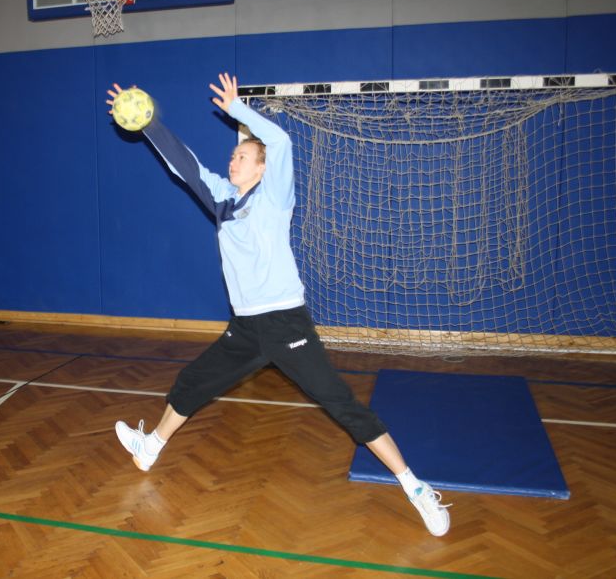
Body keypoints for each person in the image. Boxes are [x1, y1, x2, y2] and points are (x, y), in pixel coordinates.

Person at [105, 73, 451, 537]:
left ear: (262, 168)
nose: (232, 160)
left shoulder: (274, 196)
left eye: (242, 156)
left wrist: (238, 111)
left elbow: (281, 141)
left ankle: (416, 487)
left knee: (340, 403)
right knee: (192, 382)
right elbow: (185, 165)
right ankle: (150, 447)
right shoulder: (223, 199)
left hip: (286, 322)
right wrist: (147, 124)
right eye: (233, 155)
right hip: (247, 328)